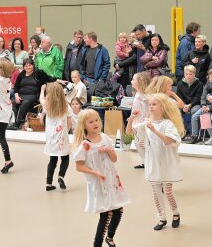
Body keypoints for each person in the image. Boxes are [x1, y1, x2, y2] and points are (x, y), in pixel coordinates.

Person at [73, 109, 129, 247]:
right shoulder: (85, 145)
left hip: (111, 180)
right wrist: (95, 173)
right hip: (98, 182)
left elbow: (114, 159)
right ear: (84, 125)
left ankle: (110, 237)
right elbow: (79, 166)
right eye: (91, 122)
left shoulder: (105, 138)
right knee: (106, 213)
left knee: (118, 209)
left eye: (97, 120)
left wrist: (109, 150)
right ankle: (97, 244)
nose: (95, 123)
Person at [130, 93, 184, 231]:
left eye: (154, 104)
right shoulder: (148, 122)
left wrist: (154, 131)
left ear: (162, 107)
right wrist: (131, 120)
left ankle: (176, 213)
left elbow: (169, 141)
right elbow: (129, 131)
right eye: (150, 105)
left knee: (167, 191)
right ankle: (162, 218)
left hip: (166, 161)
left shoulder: (168, 124)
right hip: (152, 161)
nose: (151, 107)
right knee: (155, 191)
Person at [10, 58, 65, 130]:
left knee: (25, 102)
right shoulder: (21, 74)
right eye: (26, 66)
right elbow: (16, 87)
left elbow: (48, 78)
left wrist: (59, 81)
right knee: (13, 102)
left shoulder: (38, 72)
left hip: (33, 95)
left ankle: (18, 123)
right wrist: (16, 95)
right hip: (21, 94)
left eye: (30, 65)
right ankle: (13, 122)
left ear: (33, 65)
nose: (28, 67)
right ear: (23, 67)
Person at [39, 82, 72, 191]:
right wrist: (66, 132)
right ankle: (61, 176)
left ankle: (48, 183)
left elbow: (41, 99)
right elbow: (70, 123)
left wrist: (42, 90)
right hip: (62, 136)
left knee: (52, 160)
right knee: (65, 158)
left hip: (50, 136)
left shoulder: (47, 105)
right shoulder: (66, 106)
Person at [187, 67, 212, 146]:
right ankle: (197, 136)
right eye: (209, 76)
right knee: (195, 116)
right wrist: (203, 105)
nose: (210, 78)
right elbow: (203, 94)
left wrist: (210, 107)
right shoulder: (208, 82)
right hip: (207, 105)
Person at [126, 72, 151, 169]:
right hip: (137, 121)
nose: (131, 81)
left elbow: (148, 108)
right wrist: (132, 117)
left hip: (142, 122)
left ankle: (149, 162)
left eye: (133, 79)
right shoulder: (137, 93)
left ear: (140, 81)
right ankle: (146, 161)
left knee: (141, 143)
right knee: (137, 142)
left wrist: (146, 119)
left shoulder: (145, 95)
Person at [176, 65, 204, 135]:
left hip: (195, 104)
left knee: (194, 111)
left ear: (194, 74)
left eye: (190, 74)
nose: (188, 76)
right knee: (176, 111)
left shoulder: (199, 84)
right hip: (184, 104)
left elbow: (198, 98)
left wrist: (189, 105)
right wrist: (184, 106)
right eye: (186, 74)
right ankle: (183, 131)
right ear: (184, 74)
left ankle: (194, 133)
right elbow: (179, 97)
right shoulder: (180, 83)